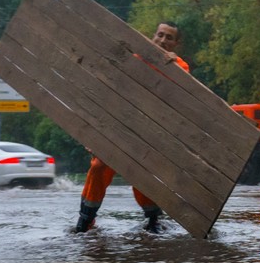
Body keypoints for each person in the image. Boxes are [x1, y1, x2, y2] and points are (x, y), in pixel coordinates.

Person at [74, 21, 190, 233]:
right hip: (120, 130)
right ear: (153, 36)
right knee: (99, 166)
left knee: (143, 174)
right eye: (160, 35)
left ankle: (154, 221)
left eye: (169, 38)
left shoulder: (180, 67)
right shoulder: (135, 59)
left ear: (176, 44)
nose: (163, 41)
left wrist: (170, 66)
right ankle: (85, 221)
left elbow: (178, 94)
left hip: (150, 136)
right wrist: (95, 134)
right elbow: (111, 95)